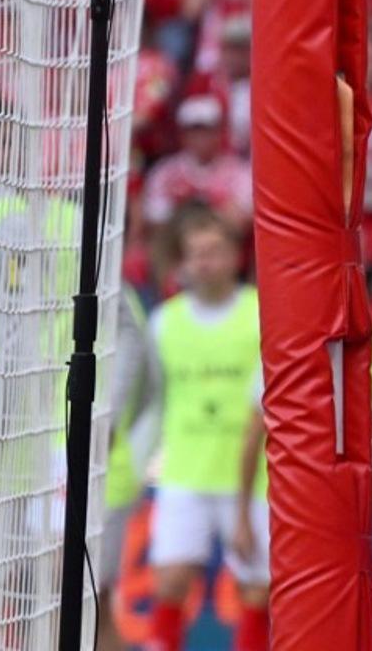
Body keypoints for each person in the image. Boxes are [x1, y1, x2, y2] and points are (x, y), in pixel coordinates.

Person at [231, 325, 372, 647]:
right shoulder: (288, 338)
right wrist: (240, 511)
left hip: (339, 500)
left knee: (334, 596)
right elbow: (254, 432)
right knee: (259, 594)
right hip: (273, 495)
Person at [147, 208, 266, 651]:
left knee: (256, 591)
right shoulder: (165, 322)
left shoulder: (262, 315)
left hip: (255, 479)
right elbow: (153, 399)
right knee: (170, 580)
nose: (204, 262)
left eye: (214, 251)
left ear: (235, 255)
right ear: (183, 261)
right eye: (195, 254)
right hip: (185, 471)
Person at [98, 287, 163, 651]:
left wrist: (108, 427)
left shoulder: (116, 296)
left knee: (92, 600)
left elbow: (151, 392)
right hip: (34, 468)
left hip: (105, 471)